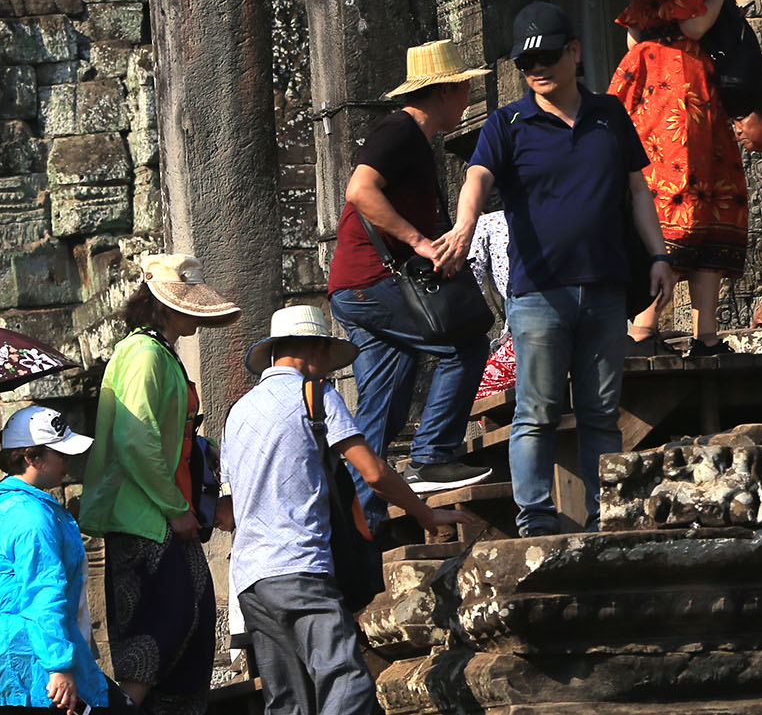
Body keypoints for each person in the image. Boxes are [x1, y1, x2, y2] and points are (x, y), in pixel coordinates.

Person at [448, 1, 677, 537]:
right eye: (527, 63)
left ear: (574, 51)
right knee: (537, 411)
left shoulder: (608, 115)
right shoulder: (507, 123)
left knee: (601, 410)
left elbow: (637, 190)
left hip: (604, 286)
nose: (538, 69)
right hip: (538, 294)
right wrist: (464, 226)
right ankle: (535, 519)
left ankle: (606, 516)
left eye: (548, 56)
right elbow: (477, 178)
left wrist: (660, 254)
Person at [225, 306, 460, 715]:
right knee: (345, 679)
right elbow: (372, 472)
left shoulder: (237, 413)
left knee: (287, 701)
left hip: (250, 578)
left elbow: (227, 511)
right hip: (299, 566)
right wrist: (426, 514)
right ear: (315, 349)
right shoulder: (315, 395)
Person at [329, 38, 495, 528]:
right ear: (445, 91)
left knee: (381, 408)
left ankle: (367, 528)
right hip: (373, 282)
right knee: (463, 345)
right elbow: (359, 191)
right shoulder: (400, 131)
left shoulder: (414, 140)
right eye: (464, 87)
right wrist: (419, 241)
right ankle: (432, 455)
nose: (467, 97)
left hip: (356, 287)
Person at [77, 255, 237, 715]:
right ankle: (123, 708)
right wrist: (175, 507)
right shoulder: (145, 355)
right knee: (158, 629)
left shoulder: (160, 355)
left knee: (195, 620)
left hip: (165, 516)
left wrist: (202, 458)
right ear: (165, 306)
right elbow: (136, 439)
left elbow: (165, 436)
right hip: (145, 518)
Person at [611, 0, 750, 358]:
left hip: (646, 76)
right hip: (682, 82)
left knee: (660, 191)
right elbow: (694, 21)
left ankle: (651, 327)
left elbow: (633, 33)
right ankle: (679, 332)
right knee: (695, 191)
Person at [0, 405, 108, 715]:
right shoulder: (30, 517)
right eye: (60, 454)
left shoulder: (8, 508)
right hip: (30, 669)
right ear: (32, 458)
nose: (67, 464)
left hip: (6, 666)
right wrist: (59, 666)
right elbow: (43, 592)